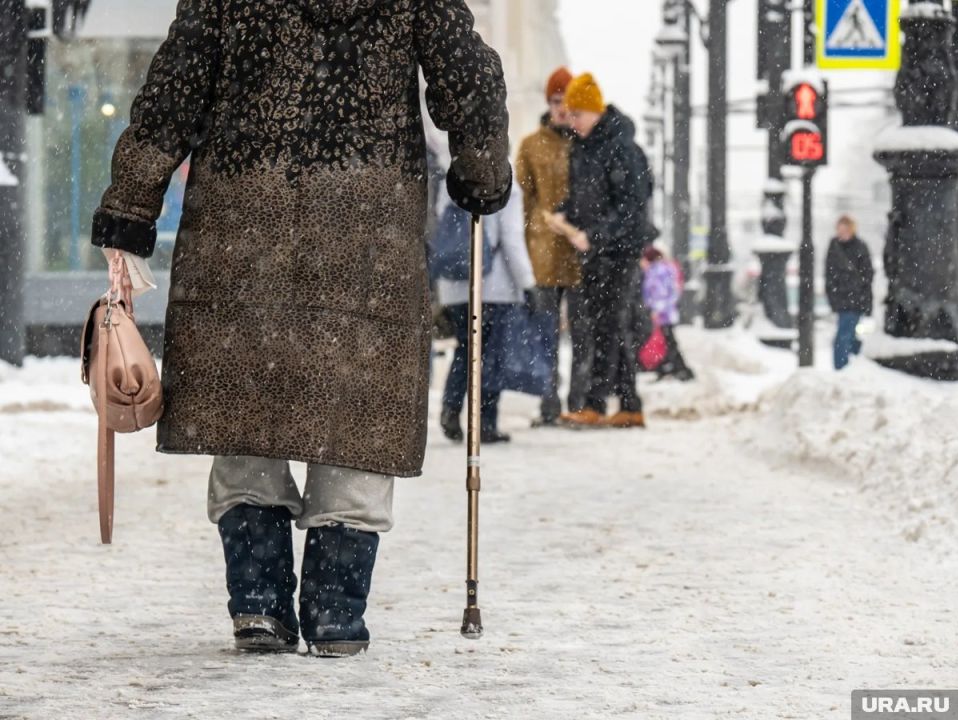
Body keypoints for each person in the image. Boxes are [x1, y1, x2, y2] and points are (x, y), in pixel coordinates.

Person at [90, 0, 511, 657]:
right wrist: (481, 170)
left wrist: (131, 204)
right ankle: (336, 614)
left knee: (245, 412)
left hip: (241, 228)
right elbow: (470, 75)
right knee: (358, 419)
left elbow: (174, 88)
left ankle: (259, 604)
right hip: (367, 229)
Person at [547, 73, 654, 429]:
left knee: (607, 324)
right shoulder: (584, 148)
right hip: (594, 248)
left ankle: (595, 403)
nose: (571, 122)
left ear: (593, 111)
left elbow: (631, 207)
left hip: (619, 250)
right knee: (609, 324)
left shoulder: (623, 149)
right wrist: (564, 213)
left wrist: (595, 235)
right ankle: (628, 404)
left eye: (576, 115)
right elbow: (586, 198)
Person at [515, 67, 590, 427]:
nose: (562, 109)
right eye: (557, 101)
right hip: (544, 256)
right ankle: (548, 402)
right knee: (544, 335)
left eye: (568, 102)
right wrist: (534, 233)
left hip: (580, 254)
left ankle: (577, 403)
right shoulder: (531, 145)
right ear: (548, 103)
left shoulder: (584, 142)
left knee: (581, 334)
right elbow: (523, 199)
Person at [436, 179, 536, 445]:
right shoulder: (506, 186)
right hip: (493, 287)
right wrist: (527, 283)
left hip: (454, 284)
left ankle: (451, 408)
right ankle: (485, 422)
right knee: (491, 356)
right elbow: (512, 239)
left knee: (465, 349)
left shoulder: (452, 180)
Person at [825, 215, 874, 370]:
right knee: (847, 335)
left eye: (845, 229)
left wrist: (860, 291)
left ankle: (845, 368)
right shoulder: (834, 247)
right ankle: (850, 364)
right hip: (842, 299)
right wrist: (833, 295)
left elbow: (868, 274)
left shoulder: (860, 247)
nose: (842, 232)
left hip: (856, 299)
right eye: (840, 229)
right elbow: (829, 274)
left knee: (845, 336)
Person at [641, 246, 694, 382]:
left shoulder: (658, 271)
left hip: (662, 314)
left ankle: (680, 369)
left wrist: (656, 310)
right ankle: (669, 368)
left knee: (668, 341)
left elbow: (661, 293)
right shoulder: (662, 269)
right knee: (666, 341)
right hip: (664, 313)